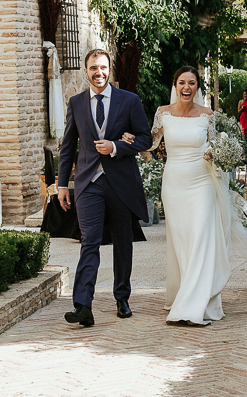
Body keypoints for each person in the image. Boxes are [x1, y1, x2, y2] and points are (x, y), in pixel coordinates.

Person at [123, 66, 247, 325]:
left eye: (192, 83)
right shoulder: (163, 113)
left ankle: (193, 305)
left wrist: (222, 155)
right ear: (175, 86)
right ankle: (184, 293)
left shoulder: (207, 115)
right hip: (174, 184)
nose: (186, 87)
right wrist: (130, 140)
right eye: (182, 82)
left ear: (197, 87)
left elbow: (214, 146)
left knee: (200, 239)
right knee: (181, 241)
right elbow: (151, 142)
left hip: (202, 182)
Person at [56, 49, 153, 327]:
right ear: (85, 71)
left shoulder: (129, 100)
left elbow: (145, 139)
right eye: (93, 68)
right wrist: (63, 184)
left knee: (123, 242)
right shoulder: (76, 103)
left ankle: (122, 297)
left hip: (121, 182)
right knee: (90, 242)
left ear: (109, 70)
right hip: (88, 183)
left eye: (103, 67)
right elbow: (67, 146)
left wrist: (117, 147)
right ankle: (83, 305)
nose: (99, 73)